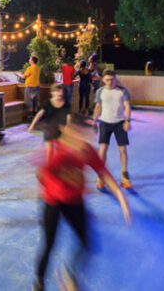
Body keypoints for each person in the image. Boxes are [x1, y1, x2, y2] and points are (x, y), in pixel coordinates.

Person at [33, 118, 131, 291]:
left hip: (74, 201)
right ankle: (39, 283)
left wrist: (122, 200)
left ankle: (69, 273)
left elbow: (105, 174)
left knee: (86, 242)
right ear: (67, 132)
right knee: (49, 244)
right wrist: (62, 176)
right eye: (78, 134)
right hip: (53, 201)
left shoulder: (86, 151)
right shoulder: (57, 151)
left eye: (84, 136)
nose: (82, 140)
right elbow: (41, 173)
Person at [92, 69, 133, 189]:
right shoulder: (100, 91)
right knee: (103, 149)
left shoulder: (122, 91)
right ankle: (100, 175)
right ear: (103, 80)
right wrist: (94, 121)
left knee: (123, 150)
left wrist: (127, 120)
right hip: (104, 122)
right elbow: (98, 107)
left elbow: (127, 106)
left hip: (119, 123)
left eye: (112, 79)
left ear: (115, 79)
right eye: (107, 79)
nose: (110, 82)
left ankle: (124, 174)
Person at [28, 83, 71, 162]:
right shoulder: (48, 103)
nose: (59, 93)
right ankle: (50, 166)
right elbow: (39, 114)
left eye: (60, 92)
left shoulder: (66, 103)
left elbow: (69, 116)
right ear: (52, 93)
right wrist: (32, 125)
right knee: (50, 149)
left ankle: (60, 165)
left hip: (61, 129)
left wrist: (68, 127)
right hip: (49, 128)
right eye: (57, 91)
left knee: (61, 150)